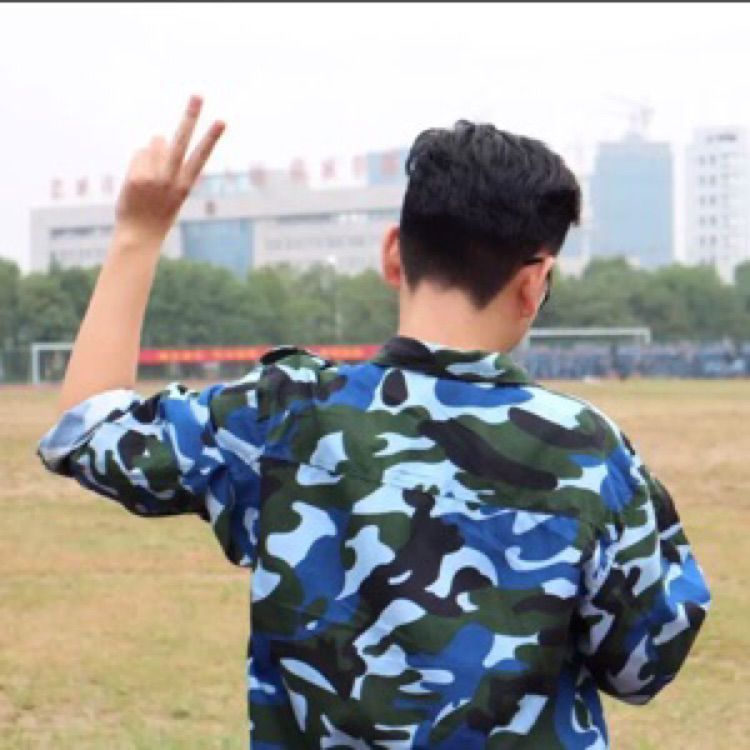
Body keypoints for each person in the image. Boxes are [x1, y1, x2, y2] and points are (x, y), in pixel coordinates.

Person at [38, 97, 710, 750]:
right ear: (535, 282)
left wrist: (137, 235)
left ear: (393, 252)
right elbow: (644, 663)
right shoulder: (588, 452)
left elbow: (88, 429)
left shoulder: (285, 414)